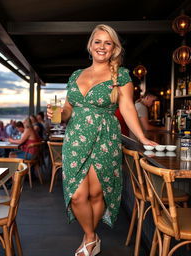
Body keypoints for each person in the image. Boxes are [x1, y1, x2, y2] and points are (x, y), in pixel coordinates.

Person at [47, 24, 156, 256]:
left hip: (105, 137)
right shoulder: (76, 75)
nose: (102, 46)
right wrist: (56, 113)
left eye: (108, 42)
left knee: (97, 193)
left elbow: (127, 107)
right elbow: (67, 110)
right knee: (77, 195)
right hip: (76, 139)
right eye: (98, 41)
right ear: (90, 45)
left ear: (114, 47)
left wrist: (142, 137)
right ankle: (91, 237)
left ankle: (89, 242)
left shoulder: (121, 75)